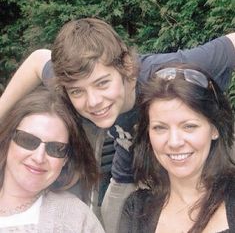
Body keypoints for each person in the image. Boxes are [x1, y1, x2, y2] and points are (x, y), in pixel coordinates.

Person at [0, 18, 234, 233]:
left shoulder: (167, 72)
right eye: (77, 91)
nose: (93, 102)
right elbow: (37, 59)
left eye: (102, 83)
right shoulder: (74, 74)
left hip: (201, 154)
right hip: (129, 168)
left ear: (127, 68)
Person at [119, 63, 235, 233]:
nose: (174, 142)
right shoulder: (137, 210)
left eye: (189, 126)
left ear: (214, 129)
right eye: (160, 128)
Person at [0, 86, 105, 232]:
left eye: (56, 148)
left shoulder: (77, 219)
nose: (39, 157)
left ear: (65, 160)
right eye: (28, 140)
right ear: (7, 140)